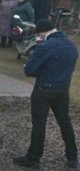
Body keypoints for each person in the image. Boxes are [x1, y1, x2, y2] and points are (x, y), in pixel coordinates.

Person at [13, 19, 78, 169]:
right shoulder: (72, 46)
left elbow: (30, 70)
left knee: (39, 125)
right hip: (63, 89)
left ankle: (34, 157)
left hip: (43, 89)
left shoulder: (45, 46)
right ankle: (72, 156)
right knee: (65, 123)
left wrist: (28, 65)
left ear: (42, 32)